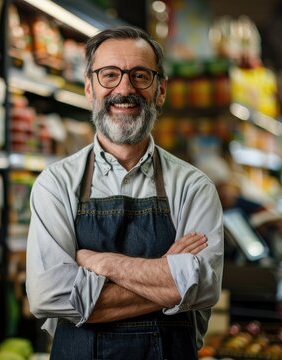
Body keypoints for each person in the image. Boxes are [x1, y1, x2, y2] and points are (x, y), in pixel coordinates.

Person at [25, 25, 224, 359]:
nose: (124, 89)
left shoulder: (193, 186)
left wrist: (102, 263)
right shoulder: (56, 183)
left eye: (140, 76)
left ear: (160, 91)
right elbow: (49, 296)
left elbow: (202, 287)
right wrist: (168, 280)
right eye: (109, 75)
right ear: (89, 88)